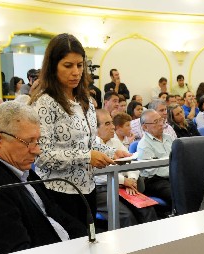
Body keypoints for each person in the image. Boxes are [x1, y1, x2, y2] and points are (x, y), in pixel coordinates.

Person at [0, 101, 87, 254]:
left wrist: (87, 241)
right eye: (29, 142)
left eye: (37, 141)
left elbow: (56, 214)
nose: (37, 150)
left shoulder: (19, 167)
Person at [30, 33, 130, 222]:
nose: (76, 72)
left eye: (79, 65)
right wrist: (87, 157)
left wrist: (112, 153)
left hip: (87, 187)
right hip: (57, 191)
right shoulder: (45, 102)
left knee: (90, 237)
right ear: (53, 66)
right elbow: (42, 156)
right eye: (68, 66)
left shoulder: (85, 100)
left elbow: (88, 143)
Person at [94, 109, 157, 227]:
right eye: (107, 124)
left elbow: (131, 162)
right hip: (101, 189)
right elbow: (98, 175)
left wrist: (131, 179)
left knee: (146, 209)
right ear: (95, 128)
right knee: (126, 216)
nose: (113, 127)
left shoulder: (115, 142)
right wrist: (124, 181)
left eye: (112, 123)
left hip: (122, 185)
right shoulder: (92, 146)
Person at [136, 109, 174, 208]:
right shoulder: (144, 144)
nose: (161, 124)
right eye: (156, 122)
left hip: (173, 175)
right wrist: (175, 171)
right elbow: (153, 170)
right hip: (154, 180)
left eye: (161, 120)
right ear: (145, 127)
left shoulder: (169, 138)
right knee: (177, 194)